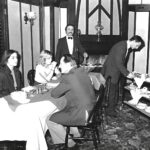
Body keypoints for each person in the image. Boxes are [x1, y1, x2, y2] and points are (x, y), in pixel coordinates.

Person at [47, 54, 96, 146]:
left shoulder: (68, 77)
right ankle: (76, 135)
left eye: (61, 63)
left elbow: (54, 94)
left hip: (83, 112)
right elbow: (73, 83)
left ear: (69, 64)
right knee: (65, 108)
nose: (59, 66)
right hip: (92, 109)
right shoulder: (81, 71)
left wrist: (57, 84)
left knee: (50, 120)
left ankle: (70, 144)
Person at [101, 35, 145, 117]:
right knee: (112, 92)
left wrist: (127, 73)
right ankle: (110, 111)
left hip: (114, 71)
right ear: (134, 41)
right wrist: (128, 74)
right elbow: (119, 63)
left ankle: (110, 108)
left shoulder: (124, 45)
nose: (137, 48)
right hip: (112, 72)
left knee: (113, 91)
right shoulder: (122, 46)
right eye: (137, 45)